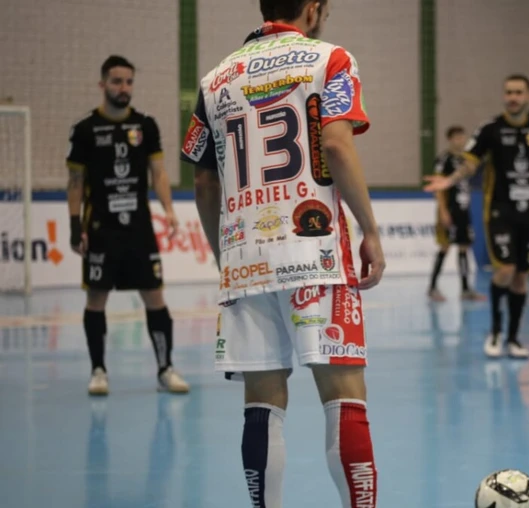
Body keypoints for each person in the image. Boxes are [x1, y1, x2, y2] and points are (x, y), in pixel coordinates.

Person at [184, 1, 385, 506]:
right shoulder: (331, 59)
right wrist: (371, 230)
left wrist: (222, 257)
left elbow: (203, 182)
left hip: (245, 257)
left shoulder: (214, 81)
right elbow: (337, 145)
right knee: (343, 395)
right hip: (315, 251)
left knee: (261, 403)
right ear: (314, 8)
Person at [424, 74, 529, 359]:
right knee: (505, 269)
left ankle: (514, 339)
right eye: (509, 92)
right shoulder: (490, 129)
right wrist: (448, 182)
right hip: (499, 212)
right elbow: (469, 165)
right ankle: (495, 332)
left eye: (518, 92)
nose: (513, 97)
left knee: (521, 278)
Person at [66, 55, 189, 396]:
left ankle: (166, 368)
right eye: (117, 81)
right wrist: (75, 227)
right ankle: (98, 370)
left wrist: (169, 210)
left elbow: (159, 173)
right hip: (101, 230)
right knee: (96, 300)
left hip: (139, 230)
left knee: (155, 296)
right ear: (102, 84)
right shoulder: (85, 129)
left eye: (129, 82)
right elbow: (75, 181)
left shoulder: (145, 126)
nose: (124, 88)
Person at [428, 125, 486, 302]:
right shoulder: (444, 159)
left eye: (463, 137)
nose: (460, 140)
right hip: (449, 209)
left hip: (463, 209)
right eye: (457, 137)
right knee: (445, 247)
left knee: (463, 246)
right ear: (450, 139)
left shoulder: (466, 160)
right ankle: (432, 287)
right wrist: (443, 211)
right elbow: (438, 187)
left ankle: (466, 289)